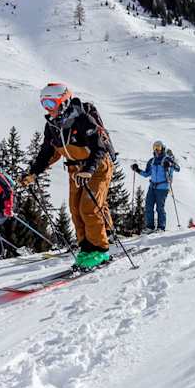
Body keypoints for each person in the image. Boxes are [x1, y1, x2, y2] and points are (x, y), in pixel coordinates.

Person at [19, 83, 117, 271]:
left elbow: (99, 148)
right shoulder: (52, 126)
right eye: (44, 104)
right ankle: (87, 249)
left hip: (96, 168)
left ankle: (101, 249)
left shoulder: (83, 120)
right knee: (75, 209)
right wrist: (33, 173)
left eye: (51, 103)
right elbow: (46, 153)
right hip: (75, 171)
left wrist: (88, 169)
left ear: (63, 101)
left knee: (89, 208)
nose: (48, 108)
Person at [131, 140, 180, 232]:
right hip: (152, 187)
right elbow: (146, 174)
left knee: (159, 208)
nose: (156, 149)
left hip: (162, 187)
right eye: (155, 147)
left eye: (159, 147)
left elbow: (178, 168)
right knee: (148, 206)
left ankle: (161, 227)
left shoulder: (167, 159)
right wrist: (137, 170)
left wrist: (169, 164)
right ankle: (150, 227)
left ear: (163, 149)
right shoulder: (151, 161)